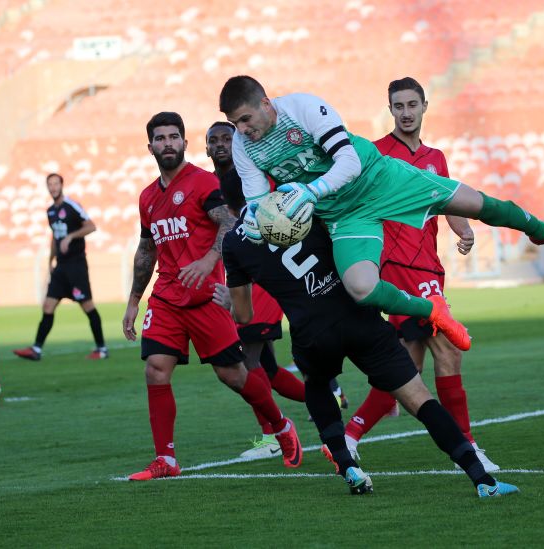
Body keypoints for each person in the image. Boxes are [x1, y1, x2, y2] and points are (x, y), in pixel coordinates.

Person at [218, 75, 544, 352]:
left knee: (474, 204)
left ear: (265, 104)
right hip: (343, 214)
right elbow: (257, 200)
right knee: (361, 288)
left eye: (246, 119)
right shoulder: (243, 145)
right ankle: (432, 311)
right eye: (236, 123)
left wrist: (310, 191)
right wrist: (256, 224)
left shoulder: (302, 108)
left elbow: (348, 162)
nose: (242, 129)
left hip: (379, 178)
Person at [216, 169, 518, 497]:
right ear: (266, 184)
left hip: (312, 332)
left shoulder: (233, 243)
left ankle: (347, 464)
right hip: (358, 315)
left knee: (317, 385)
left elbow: (244, 316)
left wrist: (229, 302)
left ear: (229, 205)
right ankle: (482, 479)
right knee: (419, 398)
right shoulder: (303, 202)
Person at [122, 112, 302, 481]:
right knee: (155, 369)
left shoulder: (203, 183)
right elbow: (146, 250)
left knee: (233, 375)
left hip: (206, 297)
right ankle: (166, 459)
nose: (168, 143)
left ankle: (282, 426)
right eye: (161, 138)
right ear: (150, 147)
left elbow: (230, 222)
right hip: (167, 296)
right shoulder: (147, 198)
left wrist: (208, 261)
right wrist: (134, 300)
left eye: (174, 137)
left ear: (185, 143)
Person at [341, 77, 499, 472]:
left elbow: (446, 200)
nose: (406, 113)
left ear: (424, 106)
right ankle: (468, 447)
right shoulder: (376, 153)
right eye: (399, 106)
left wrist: (463, 229)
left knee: (406, 369)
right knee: (448, 350)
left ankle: (348, 437)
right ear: (390, 110)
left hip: (428, 266)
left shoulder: (435, 157)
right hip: (399, 268)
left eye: (412, 105)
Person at [206, 121, 307, 459]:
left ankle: (272, 437)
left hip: (259, 282)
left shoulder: (254, 174)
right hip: (239, 281)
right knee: (269, 368)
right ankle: (326, 398)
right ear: (206, 148)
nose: (221, 145)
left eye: (227, 138)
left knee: (245, 361)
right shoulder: (207, 185)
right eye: (214, 140)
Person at [13, 173, 108, 361]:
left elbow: (91, 226)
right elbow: (55, 237)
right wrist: (50, 261)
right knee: (48, 306)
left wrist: (71, 236)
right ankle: (36, 349)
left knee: (87, 305)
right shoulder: (50, 211)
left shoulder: (72, 206)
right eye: (50, 184)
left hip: (76, 265)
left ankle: (102, 349)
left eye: (56, 183)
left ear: (62, 185)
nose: (53, 187)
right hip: (61, 267)